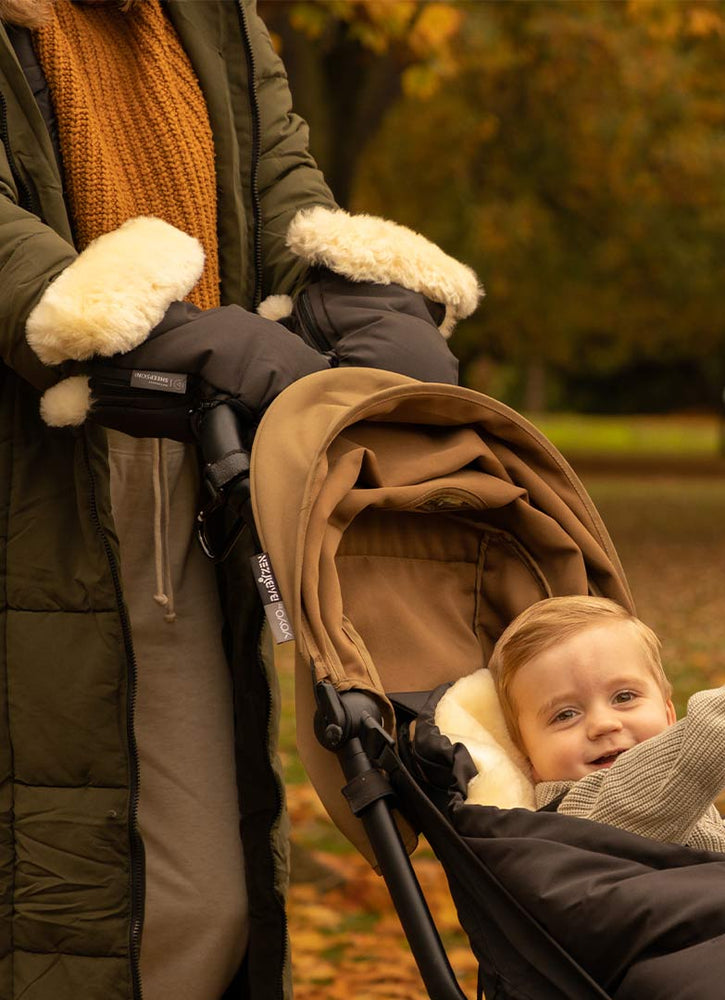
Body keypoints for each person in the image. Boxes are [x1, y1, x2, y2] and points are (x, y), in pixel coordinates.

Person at [0, 1, 480, 998]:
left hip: (184, 460)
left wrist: (365, 297)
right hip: (40, 480)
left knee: (199, 904)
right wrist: (139, 321)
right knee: (77, 900)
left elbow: (278, 176)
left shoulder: (208, 15)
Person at [488, 596, 725, 865]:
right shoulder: (569, 824)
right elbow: (653, 791)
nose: (602, 724)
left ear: (669, 715)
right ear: (526, 755)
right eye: (564, 715)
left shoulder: (693, 811)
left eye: (624, 696)